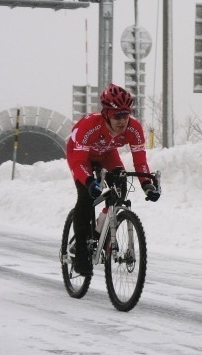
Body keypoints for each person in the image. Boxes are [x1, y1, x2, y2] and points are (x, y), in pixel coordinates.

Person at [67, 83, 160, 276]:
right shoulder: (89, 126)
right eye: (117, 116)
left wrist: (147, 184)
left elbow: (140, 160)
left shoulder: (134, 129)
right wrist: (89, 181)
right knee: (85, 196)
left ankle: (100, 230)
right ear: (106, 114)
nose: (122, 121)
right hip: (80, 156)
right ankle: (81, 252)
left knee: (121, 186)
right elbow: (78, 161)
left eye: (125, 115)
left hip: (107, 154)